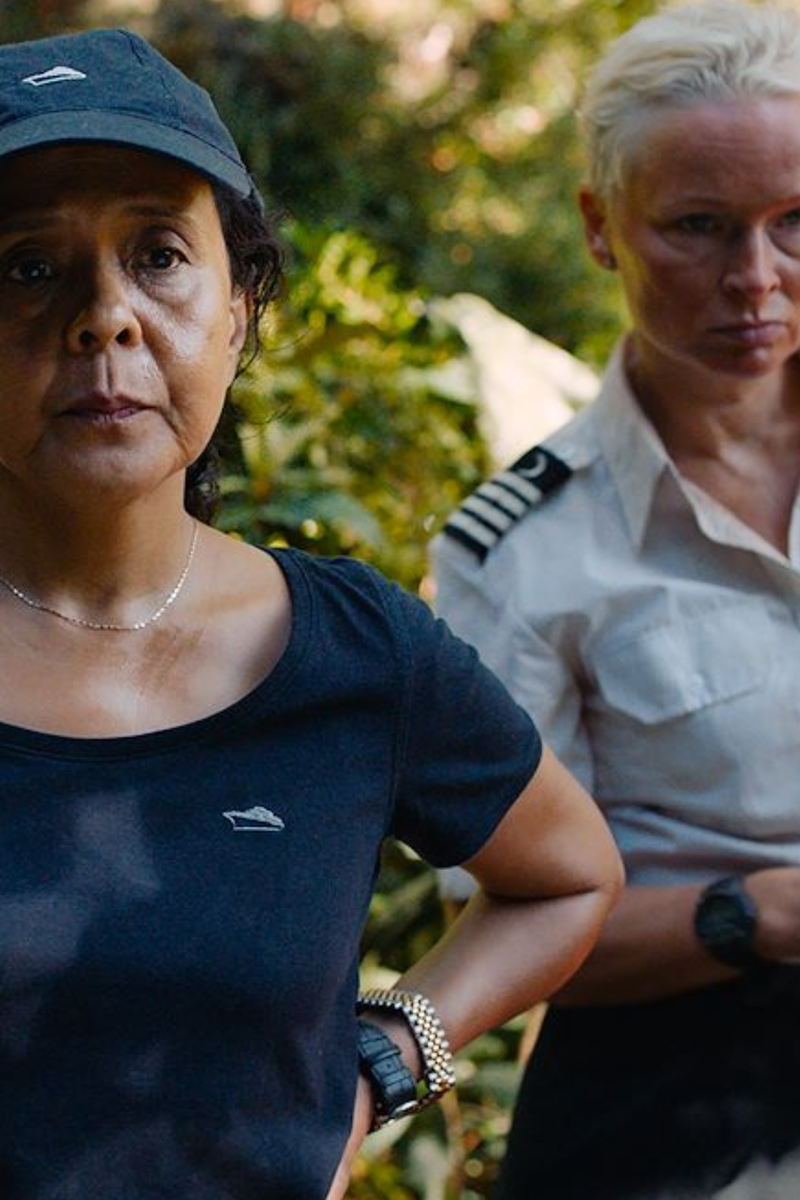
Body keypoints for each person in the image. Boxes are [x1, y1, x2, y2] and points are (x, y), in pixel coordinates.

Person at [0, 25, 623, 1200]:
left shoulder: (353, 649)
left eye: (159, 254)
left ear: (238, 310)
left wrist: (384, 1064)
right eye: (28, 265)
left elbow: (568, 878)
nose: (105, 317)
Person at [431, 2, 800, 1197]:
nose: (754, 279)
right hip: (667, 1119)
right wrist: (759, 915)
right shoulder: (518, 555)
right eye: (697, 227)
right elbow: (505, 922)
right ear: (600, 227)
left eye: (794, 223)